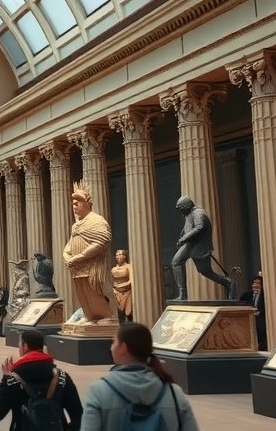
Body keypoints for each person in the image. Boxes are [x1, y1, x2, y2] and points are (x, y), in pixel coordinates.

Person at [81, 322, 198, 431]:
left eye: (114, 342)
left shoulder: (98, 391)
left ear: (123, 348)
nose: (111, 347)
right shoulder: (174, 393)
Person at [0, 328, 82, 431]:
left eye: (19, 344)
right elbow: (78, 415)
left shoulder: (13, 380)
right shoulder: (62, 377)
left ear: (25, 346)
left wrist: (5, 380)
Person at [63, 181, 112, 322]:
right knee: (82, 293)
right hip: (77, 267)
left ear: (87, 203)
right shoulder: (76, 225)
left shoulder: (96, 220)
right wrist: (66, 255)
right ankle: (89, 315)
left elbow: (102, 241)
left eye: (77, 203)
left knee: (94, 292)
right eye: (73, 203)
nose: (74, 206)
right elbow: (69, 244)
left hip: (91, 265)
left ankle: (106, 317)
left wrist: (80, 257)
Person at [171, 196, 235, 300]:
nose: (181, 211)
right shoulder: (189, 214)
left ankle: (229, 283)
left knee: (205, 271)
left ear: (186, 205)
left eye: (181, 208)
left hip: (197, 245)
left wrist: (184, 238)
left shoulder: (198, 213)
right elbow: (188, 227)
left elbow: (199, 227)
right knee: (176, 262)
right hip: (191, 244)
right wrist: (182, 236)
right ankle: (182, 293)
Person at [239, 275, 266, 351]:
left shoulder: (264, 295)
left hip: (261, 321)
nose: (255, 285)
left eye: (258, 284)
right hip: (250, 321)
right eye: (254, 283)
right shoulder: (247, 295)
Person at [111, 251, 132, 324]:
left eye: (120, 255)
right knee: (120, 314)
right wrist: (114, 288)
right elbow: (112, 282)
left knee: (129, 313)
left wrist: (119, 286)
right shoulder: (113, 269)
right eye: (116, 255)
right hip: (116, 293)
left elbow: (131, 281)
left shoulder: (129, 266)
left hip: (127, 292)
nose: (118, 257)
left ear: (125, 256)